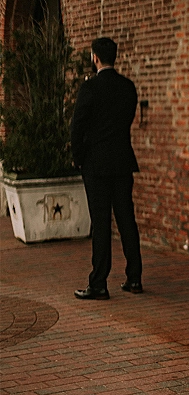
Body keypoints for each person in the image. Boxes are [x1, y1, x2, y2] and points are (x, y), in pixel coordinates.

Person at [71, 37, 143, 300]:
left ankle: (99, 282)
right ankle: (134, 277)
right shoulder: (128, 88)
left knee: (101, 223)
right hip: (122, 161)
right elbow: (128, 119)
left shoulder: (90, 89)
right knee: (126, 219)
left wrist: (78, 156)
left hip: (96, 164)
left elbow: (77, 125)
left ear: (95, 58)